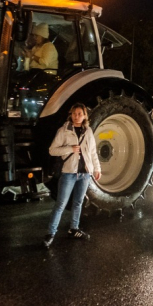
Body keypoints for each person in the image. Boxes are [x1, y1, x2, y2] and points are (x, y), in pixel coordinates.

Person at [44, 103, 102, 248]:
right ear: (71, 114)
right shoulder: (63, 130)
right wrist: (69, 149)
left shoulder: (88, 131)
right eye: (75, 113)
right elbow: (52, 150)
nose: (77, 116)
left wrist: (97, 169)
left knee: (78, 203)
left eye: (80, 114)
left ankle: (74, 229)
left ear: (84, 116)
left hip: (85, 174)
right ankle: (51, 233)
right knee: (61, 204)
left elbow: (93, 152)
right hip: (69, 173)